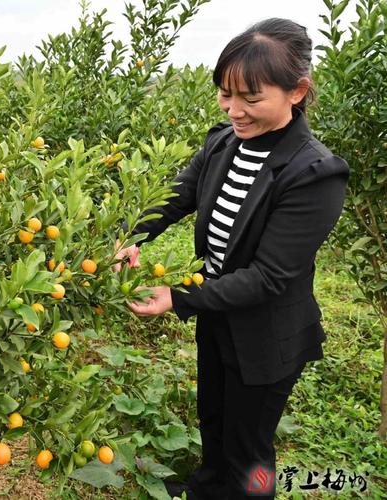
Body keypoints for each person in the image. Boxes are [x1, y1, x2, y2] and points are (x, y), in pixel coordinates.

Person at [115, 18, 349, 500]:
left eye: (250, 98)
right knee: (215, 417)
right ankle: (206, 486)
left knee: (251, 450)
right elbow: (173, 197)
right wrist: (131, 236)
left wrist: (177, 297)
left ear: (297, 91)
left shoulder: (314, 172)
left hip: (265, 333)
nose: (234, 110)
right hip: (217, 312)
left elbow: (268, 276)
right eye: (226, 94)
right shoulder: (223, 142)